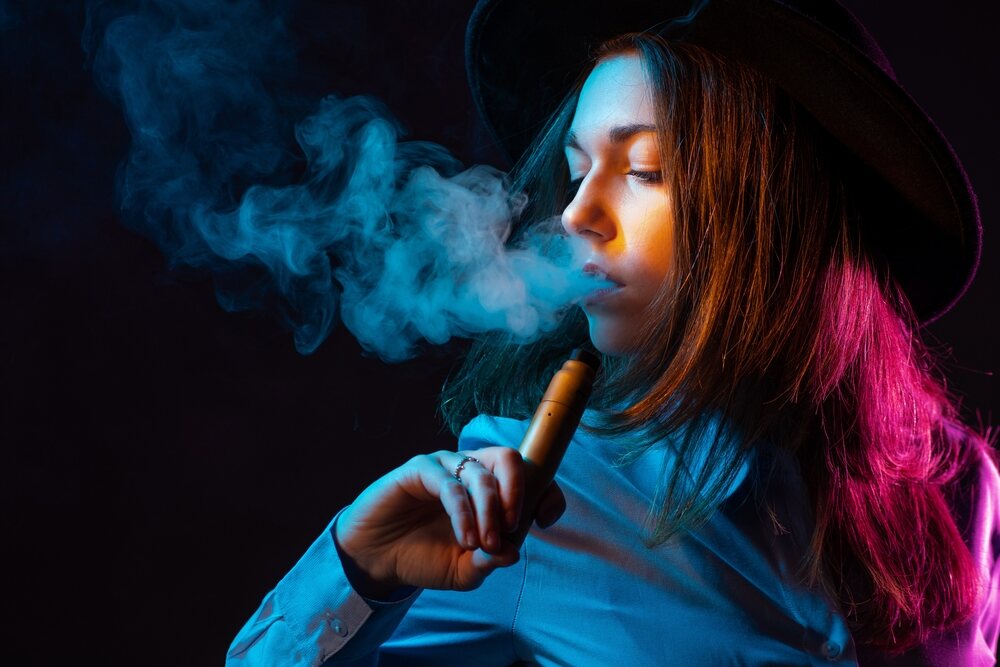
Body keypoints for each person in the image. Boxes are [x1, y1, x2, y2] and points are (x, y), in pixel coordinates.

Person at [227, 0, 999, 664]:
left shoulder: (960, 487)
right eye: (576, 169)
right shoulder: (527, 502)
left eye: (644, 170)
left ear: (781, 217)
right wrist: (360, 567)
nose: (574, 215)